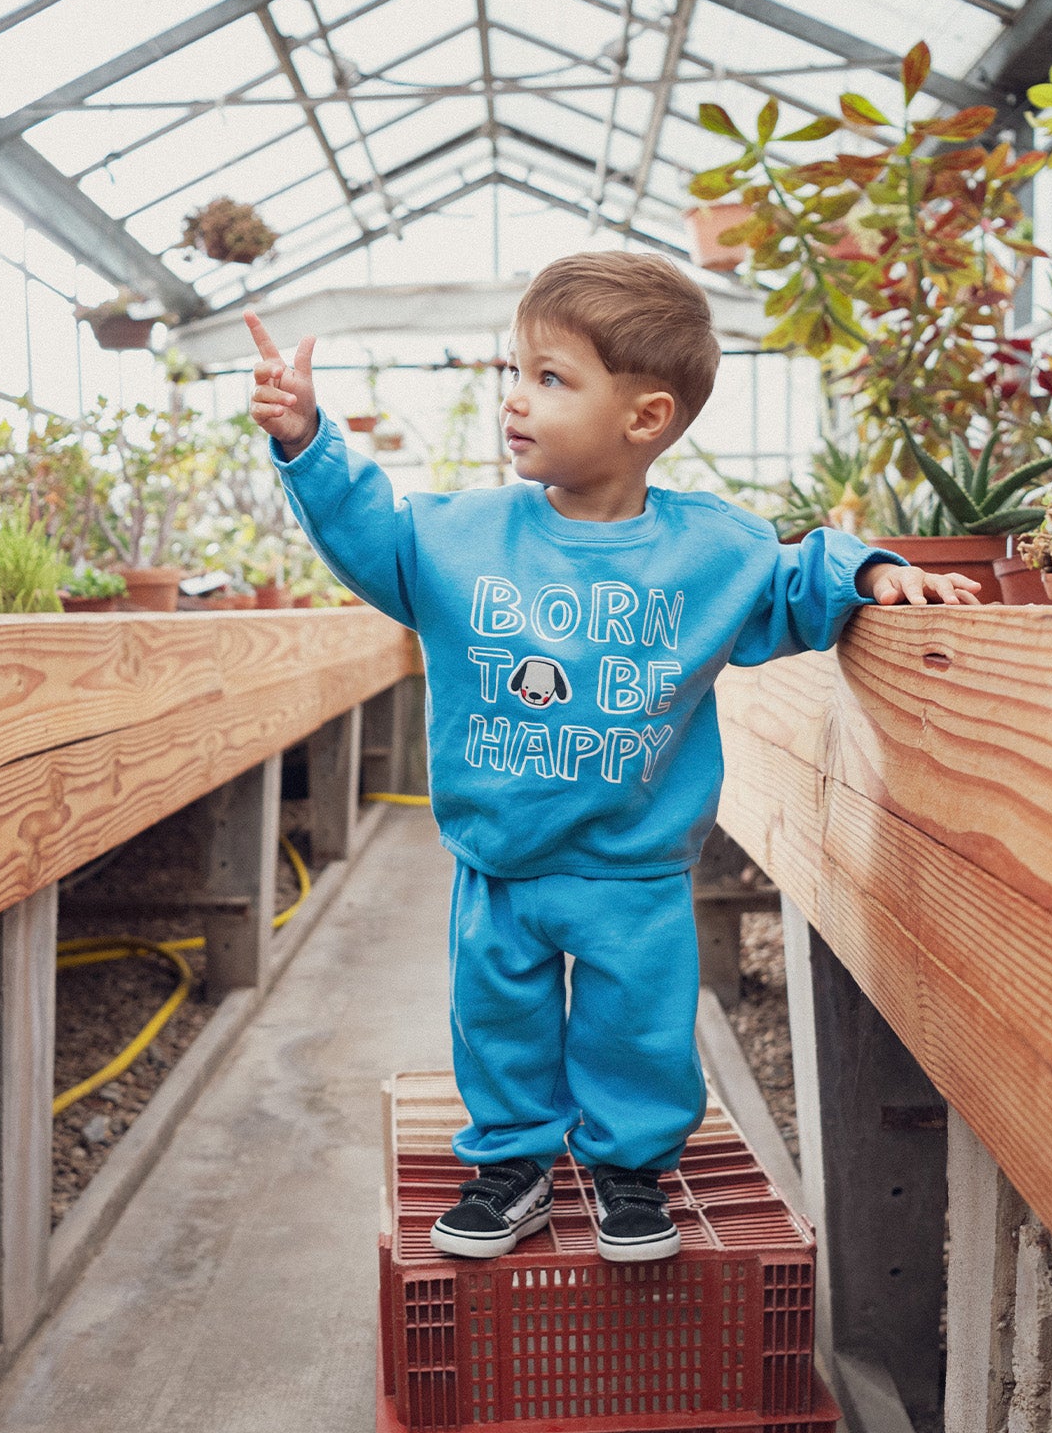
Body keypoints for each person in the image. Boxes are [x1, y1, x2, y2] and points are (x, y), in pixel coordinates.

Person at [245, 251, 979, 1265]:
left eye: (551, 378)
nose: (514, 399)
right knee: (498, 1019)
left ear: (645, 418)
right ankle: (512, 1163)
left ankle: (630, 1172)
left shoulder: (708, 551)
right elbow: (372, 534)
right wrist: (307, 441)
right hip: (501, 859)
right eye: (516, 371)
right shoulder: (461, 536)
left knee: (639, 1027)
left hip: (633, 867)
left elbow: (795, 576)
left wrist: (879, 571)